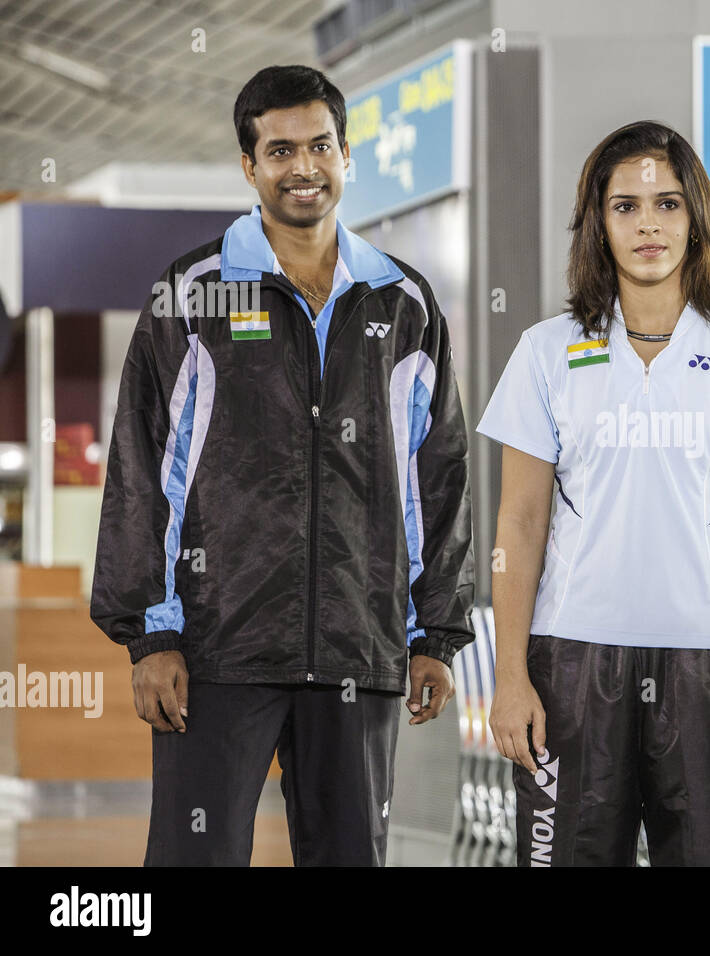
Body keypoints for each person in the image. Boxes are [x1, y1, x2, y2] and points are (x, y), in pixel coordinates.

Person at [89, 65, 475, 866]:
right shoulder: (193, 295)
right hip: (218, 651)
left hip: (356, 649)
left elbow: (437, 471)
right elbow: (141, 466)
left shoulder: (404, 303)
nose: (304, 166)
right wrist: (151, 633)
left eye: (321, 146)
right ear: (249, 165)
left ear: (346, 155)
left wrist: (434, 629)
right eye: (281, 150)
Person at [477, 120, 710, 866]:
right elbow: (519, 522)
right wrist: (511, 676)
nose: (648, 225)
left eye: (668, 204)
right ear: (597, 223)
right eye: (625, 205)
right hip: (571, 666)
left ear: (696, 220)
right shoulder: (546, 353)